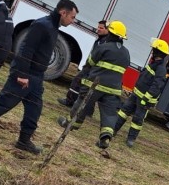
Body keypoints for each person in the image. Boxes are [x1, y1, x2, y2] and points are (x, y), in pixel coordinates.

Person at [0, 0, 78, 154]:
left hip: (37, 77)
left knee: (34, 110)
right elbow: (26, 49)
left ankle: (24, 141)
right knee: (4, 101)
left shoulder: (52, 27)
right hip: (25, 74)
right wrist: (22, 74)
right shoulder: (42, 25)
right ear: (63, 12)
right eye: (72, 17)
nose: (73, 21)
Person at [56, 20, 130, 150]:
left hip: (94, 86)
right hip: (113, 89)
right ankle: (105, 137)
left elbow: (90, 63)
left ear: (111, 34)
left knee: (81, 103)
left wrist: (83, 77)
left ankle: (70, 124)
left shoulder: (103, 47)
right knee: (110, 113)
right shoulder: (126, 53)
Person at [112, 38, 169, 148]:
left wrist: (145, 98)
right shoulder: (153, 64)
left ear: (158, 52)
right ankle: (113, 130)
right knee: (123, 111)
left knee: (137, 119)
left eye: (154, 49)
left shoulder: (161, 69)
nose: (152, 51)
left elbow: (156, 86)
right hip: (136, 95)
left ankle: (131, 139)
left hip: (144, 100)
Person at [58, 20, 108, 108]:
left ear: (107, 30)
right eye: (98, 27)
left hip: (92, 69)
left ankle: (70, 102)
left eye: (101, 28)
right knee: (82, 85)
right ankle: (80, 106)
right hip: (91, 68)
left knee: (79, 82)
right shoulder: (101, 40)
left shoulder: (104, 42)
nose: (98, 29)